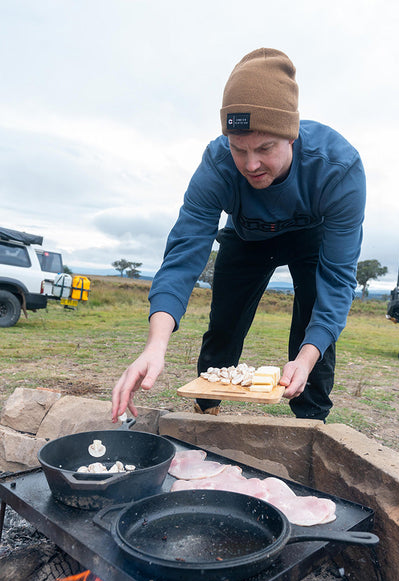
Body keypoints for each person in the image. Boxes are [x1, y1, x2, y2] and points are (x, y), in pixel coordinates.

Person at [111, 48, 366, 422]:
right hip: (246, 237)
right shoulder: (216, 165)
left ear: (291, 137)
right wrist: (155, 346)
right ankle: (206, 412)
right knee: (224, 326)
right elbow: (184, 255)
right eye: (238, 148)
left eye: (265, 148)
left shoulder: (339, 169)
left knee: (313, 323)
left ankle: (311, 423)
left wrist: (307, 355)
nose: (251, 164)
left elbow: (339, 278)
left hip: (311, 238)